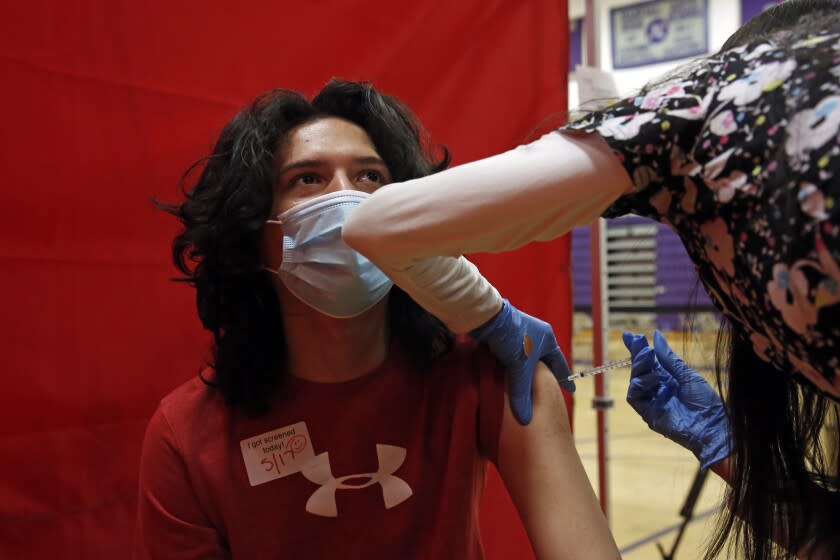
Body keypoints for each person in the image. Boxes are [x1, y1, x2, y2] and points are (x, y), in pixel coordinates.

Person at [341, 1, 840, 558]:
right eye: (307, 178)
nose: (339, 200)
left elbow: (374, 224)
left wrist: (494, 318)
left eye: (367, 176)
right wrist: (729, 452)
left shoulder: (734, 95)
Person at [134, 79, 620, 559]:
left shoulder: (497, 379)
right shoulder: (187, 438)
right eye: (308, 179)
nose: (349, 204)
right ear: (256, 232)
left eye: (370, 177)